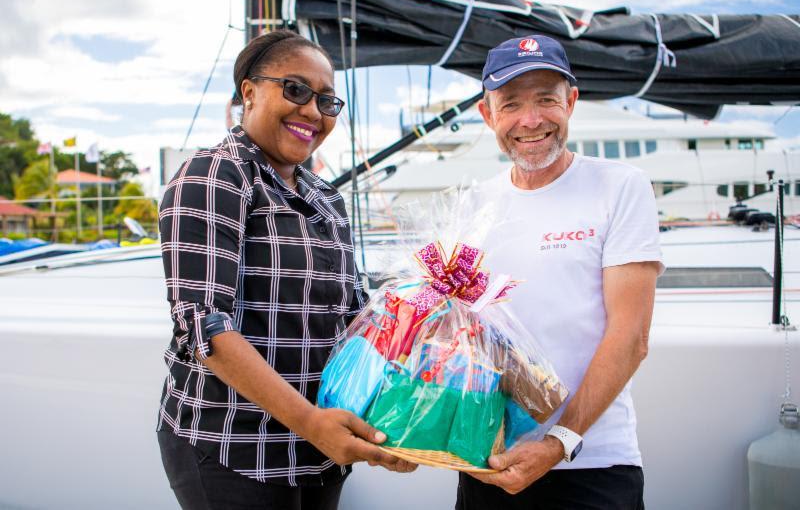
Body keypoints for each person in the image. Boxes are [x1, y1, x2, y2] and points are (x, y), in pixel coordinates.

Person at [157, 29, 415, 510]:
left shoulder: (327, 198)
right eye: (295, 90)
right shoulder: (216, 174)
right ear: (249, 92)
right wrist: (313, 423)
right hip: (233, 448)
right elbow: (204, 327)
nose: (313, 112)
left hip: (319, 454)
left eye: (328, 101)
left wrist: (429, 318)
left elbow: (354, 319)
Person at [457, 35, 663, 509]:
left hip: (593, 463)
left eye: (546, 100)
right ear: (488, 115)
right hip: (490, 459)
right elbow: (457, 331)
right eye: (511, 104)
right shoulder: (473, 205)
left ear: (571, 102)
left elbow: (631, 336)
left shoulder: (620, 187)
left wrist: (558, 443)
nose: (531, 120)